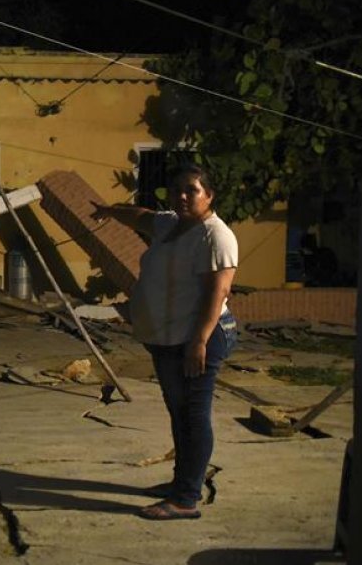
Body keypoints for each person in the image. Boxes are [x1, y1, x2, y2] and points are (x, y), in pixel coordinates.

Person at [91, 164, 238, 520]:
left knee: (193, 414)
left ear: (210, 195)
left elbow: (217, 295)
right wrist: (109, 211)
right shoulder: (170, 225)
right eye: (177, 190)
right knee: (179, 413)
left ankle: (186, 499)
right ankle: (182, 482)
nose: (183, 196)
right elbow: (140, 216)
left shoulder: (215, 236)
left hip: (199, 337)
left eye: (192, 190)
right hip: (167, 337)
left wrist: (198, 342)